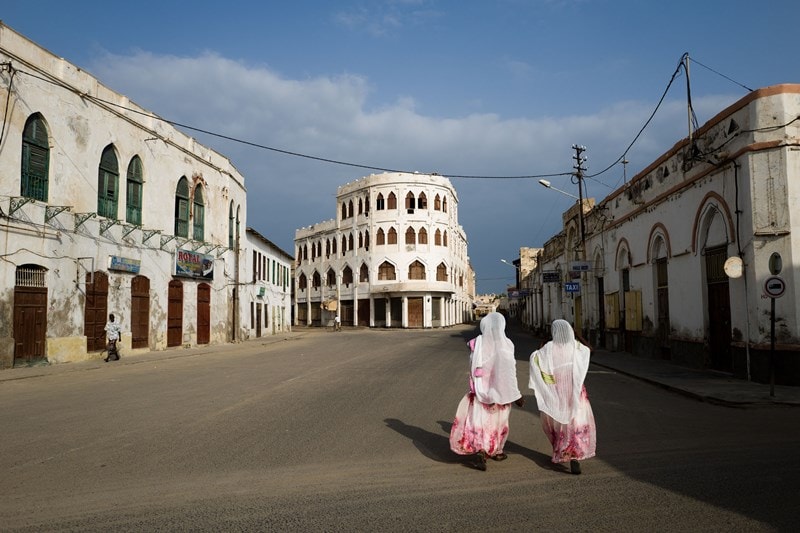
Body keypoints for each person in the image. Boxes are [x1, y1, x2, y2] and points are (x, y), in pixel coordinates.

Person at [450, 312, 524, 471]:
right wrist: (516, 394)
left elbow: (472, 365)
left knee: (481, 423)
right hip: (501, 393)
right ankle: (497, 451)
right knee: (499, 423)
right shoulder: (507, 344)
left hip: (481, 391)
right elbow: (510, 372)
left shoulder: (477, 343)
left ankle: (481, 451)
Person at [528, 319, 596, 475]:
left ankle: (564, 451)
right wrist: (578, 336)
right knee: (575, 423)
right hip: (576, 394)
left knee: (560, 425)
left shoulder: (547, 349)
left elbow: (536, 358)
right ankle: (575, 456)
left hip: (557, 394)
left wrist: (545, 340)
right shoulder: (576, 347)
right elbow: (590, 350)